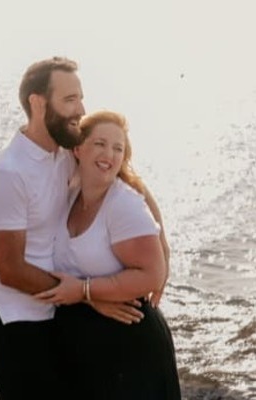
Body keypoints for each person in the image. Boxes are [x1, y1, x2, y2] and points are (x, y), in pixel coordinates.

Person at [0, 57, 166, 399]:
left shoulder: (65, 156)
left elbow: (127, 181)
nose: (81, 109)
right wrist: (89, 297)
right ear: (38, 103)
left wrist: (161, 246)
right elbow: (11, 270)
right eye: (70, 100)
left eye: (80, 97)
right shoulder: (8, 172)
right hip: (11, 316)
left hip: (52, 312)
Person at [36, 110, 182, 399]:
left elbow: (153, 276)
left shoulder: (123, 205)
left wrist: (85, 291)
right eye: (100, 144)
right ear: (78, 149)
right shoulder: (70, 190)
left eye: (118, 148)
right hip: (86, 347)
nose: (109, 154)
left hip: (129, 344)